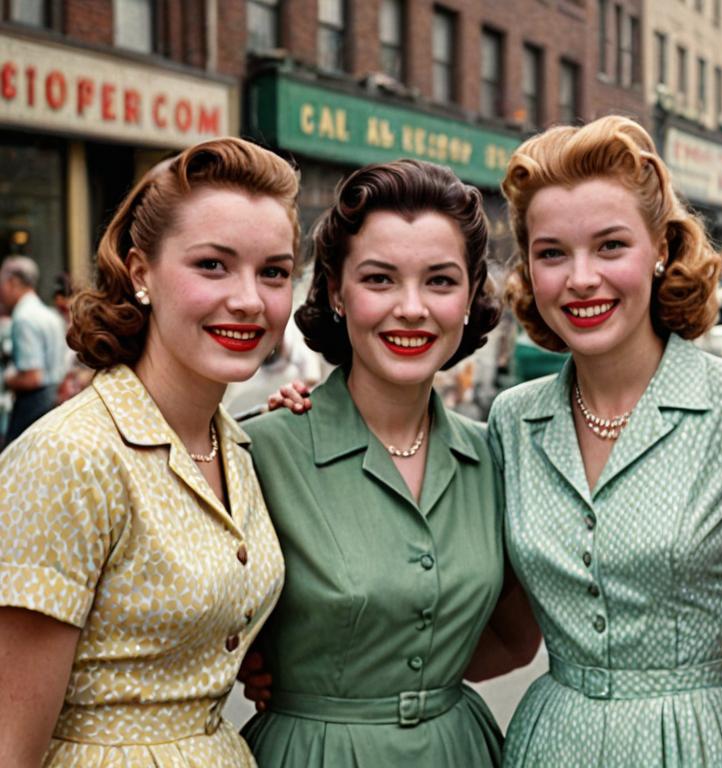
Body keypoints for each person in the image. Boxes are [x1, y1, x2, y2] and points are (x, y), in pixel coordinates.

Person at [487, 115, 722, 766]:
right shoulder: (512, 422)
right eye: (552, 253)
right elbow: (488, 621)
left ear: (660, 249)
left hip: (700, 744)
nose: (580, 279)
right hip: (552, 744)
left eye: (610, 246)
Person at [0, 137, 299, 766]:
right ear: (141, 274)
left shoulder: (239, 448)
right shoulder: (71, 458)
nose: (248, 298)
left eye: (273, 271)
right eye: (213, 265)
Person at [238, 159, 541, 767]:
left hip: (460, 751)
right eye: (379, 280)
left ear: (469, 297)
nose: (411, 308)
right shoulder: (259, 452)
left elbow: (513, 638)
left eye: (439, 281)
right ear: (333, 291)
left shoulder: (496, 456)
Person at [0, 255, 70, 446]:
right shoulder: (49, 315)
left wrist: (7, 378)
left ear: (12, 282)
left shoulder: (24, 317)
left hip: (33, 407)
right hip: (53, 404)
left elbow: (32, 377)